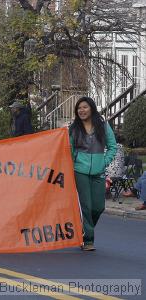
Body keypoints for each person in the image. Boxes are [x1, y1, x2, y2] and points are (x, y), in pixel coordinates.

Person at [69, 96, 117, 251]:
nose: (81, 110)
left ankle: (84, 230)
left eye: (85, 107)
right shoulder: (74, 128)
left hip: (98, 172)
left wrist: (103, 162)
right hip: (79, 171)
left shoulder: (103, 125)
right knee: (87, 207)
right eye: (79, 108)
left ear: (92, 108)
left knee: (98, 207)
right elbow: (69, 150)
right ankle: (88, 240)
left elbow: (112, 147)